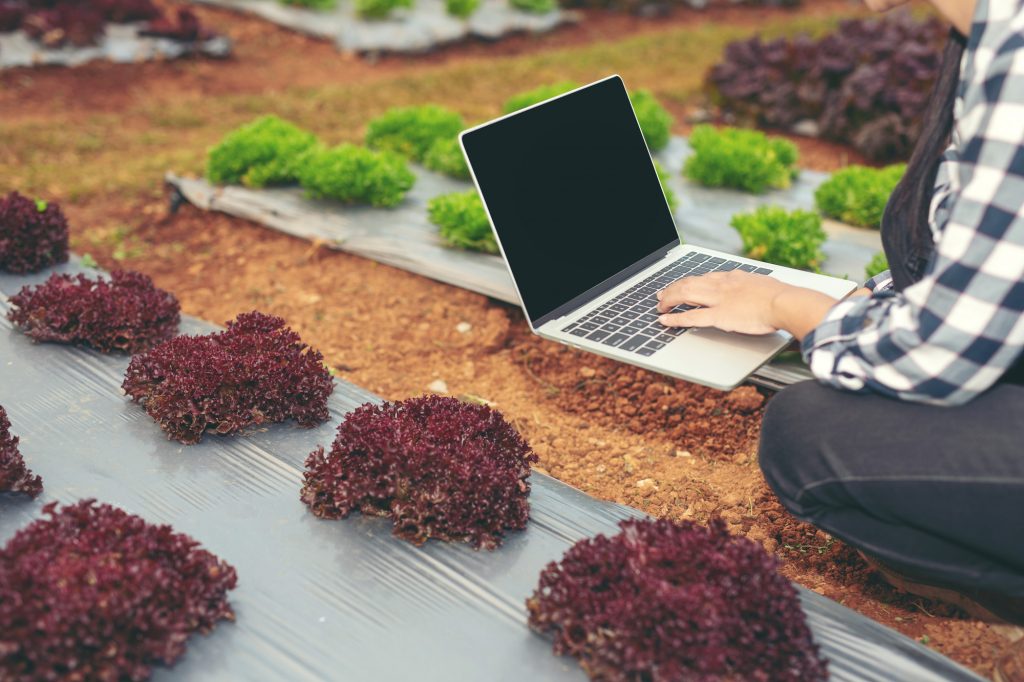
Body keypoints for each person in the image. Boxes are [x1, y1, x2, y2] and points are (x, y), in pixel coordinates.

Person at [656, 0, 1024, 678]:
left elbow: (936, 357)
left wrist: (783, 303)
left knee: (810, 433)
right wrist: (854, 304)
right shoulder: (987, 33)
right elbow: (986, 266)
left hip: (950, 357)